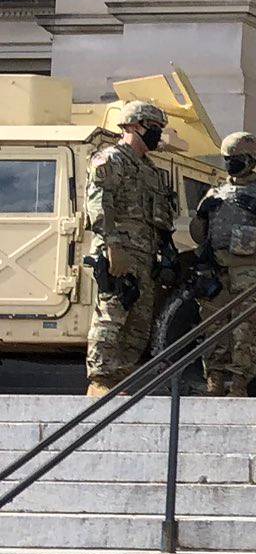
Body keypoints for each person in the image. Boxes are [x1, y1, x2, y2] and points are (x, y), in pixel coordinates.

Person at [83, 99, 177, 398]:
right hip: (119, 251)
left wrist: (166, 251)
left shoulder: (150, 170)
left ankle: (120, 380)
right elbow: (99, 204)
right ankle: (100, 382)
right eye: (154, 128)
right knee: (113, 313)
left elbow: (159, 216)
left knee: (139, 322)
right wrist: (112, 247)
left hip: (145, 255)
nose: (158, 134)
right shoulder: (111, 160)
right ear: (133, 127)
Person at [194, 133, 256, 395]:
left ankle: (239, 383)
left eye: (236, 159)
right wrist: (202, 214)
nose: (230, 164)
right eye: (228, 159)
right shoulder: (215, 192)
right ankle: (214, 380)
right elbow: (198, 235)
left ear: (251, 161)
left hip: (250, 269)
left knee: (245, 328)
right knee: (213, 325)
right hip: (217, 267)